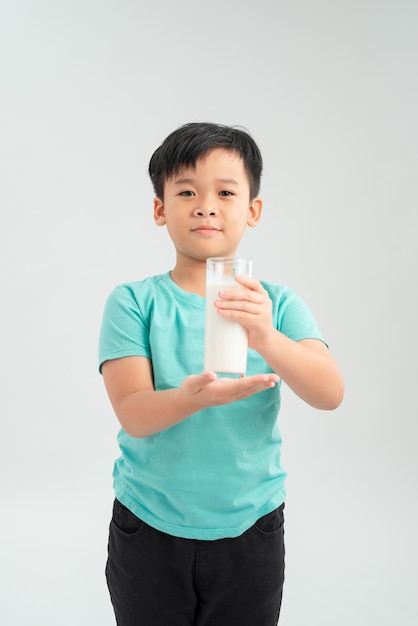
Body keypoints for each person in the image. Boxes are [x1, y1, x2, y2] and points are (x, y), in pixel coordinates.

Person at [98, 122, 344, 626]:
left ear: (252, 209)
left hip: (250, 527)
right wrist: (191, 398)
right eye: (186, 191)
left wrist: (266, 337)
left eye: (225, 192)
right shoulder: (133, 302)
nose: (205, 205)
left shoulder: (275, 304)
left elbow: (329, 392)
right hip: (148, 527)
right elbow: (134, 415)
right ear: (159, 209)